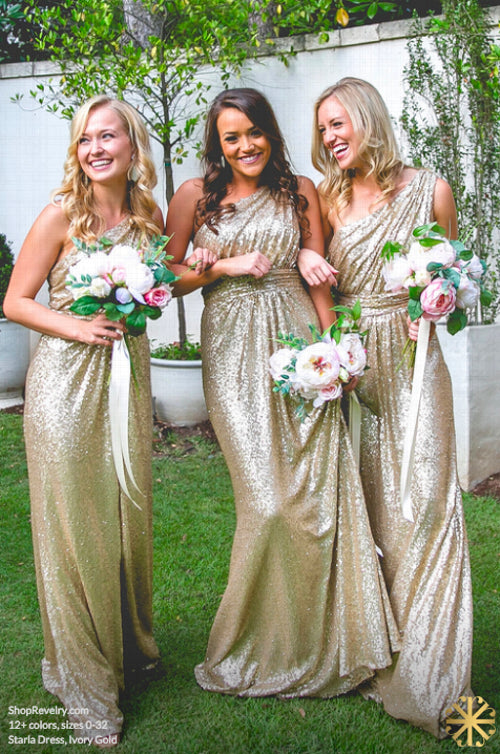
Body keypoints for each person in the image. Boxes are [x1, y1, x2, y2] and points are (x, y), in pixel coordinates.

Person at [167, 87, 400, 698]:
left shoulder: (301, 190)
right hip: (233, 352)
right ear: (218, 144)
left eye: (254, 132)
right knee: (266, 502)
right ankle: (256, 646)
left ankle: (326, 642)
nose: (246, 145)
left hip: (298, 347)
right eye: (232, 137)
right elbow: (168, 277)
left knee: (317, 495)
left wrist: (336, 351)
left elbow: (317, 276)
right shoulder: (194, 196)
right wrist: (219, 266)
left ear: (270, 131)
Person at [311, 77, 473, 737]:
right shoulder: (326, 198)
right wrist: (335, 351)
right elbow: (319, 285)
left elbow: (449, 275)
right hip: (355, 366)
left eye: (339, 123)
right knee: (372, 512)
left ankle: (434, 675)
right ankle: (380, 649)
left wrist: (430, 304)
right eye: (323, 128)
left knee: (427, 504)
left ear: (369, 119)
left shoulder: (431, 189)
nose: (330, 137)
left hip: (414, 363)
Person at [4, 95, 163, 747]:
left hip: (127, 380)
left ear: (132, 145)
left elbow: (154, 292)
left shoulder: (148, 217)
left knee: (125, 518)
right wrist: (75, 325)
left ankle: (126, 648)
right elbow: (14, 301)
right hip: (64, 387)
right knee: (74, 527)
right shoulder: (60, 215)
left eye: (108, 136)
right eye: (85, 139)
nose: (95, 149)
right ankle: (84, 679)